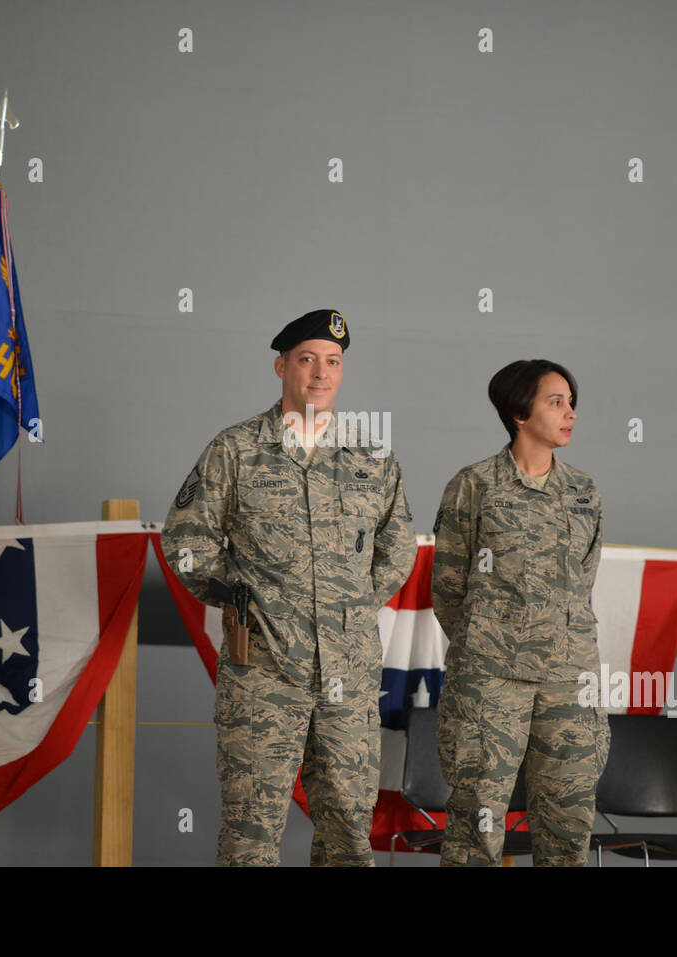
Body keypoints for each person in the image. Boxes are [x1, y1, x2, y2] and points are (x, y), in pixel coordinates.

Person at [161, 308, 417, 866]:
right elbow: (185, 543)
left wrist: (347, 608)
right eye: (307, 360)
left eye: (333, 361)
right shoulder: (236, 450)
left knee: (349, 835)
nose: (320, 373)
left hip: (347, 677)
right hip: (264, 674)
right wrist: (244, 600)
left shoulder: (373, 458)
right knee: (250, 837)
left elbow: (397, 548)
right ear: (281, 367)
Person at [430, 359, 611, 866]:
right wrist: (490, 645)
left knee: (568, 824)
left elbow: (582, 582)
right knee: (477, 824)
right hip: (491, 680)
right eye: (556, 402)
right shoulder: (474, 485)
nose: (570, 412)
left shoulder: (584, 492)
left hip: (569, 680)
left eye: (571, 402)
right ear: (518, 412)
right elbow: (448, 589)